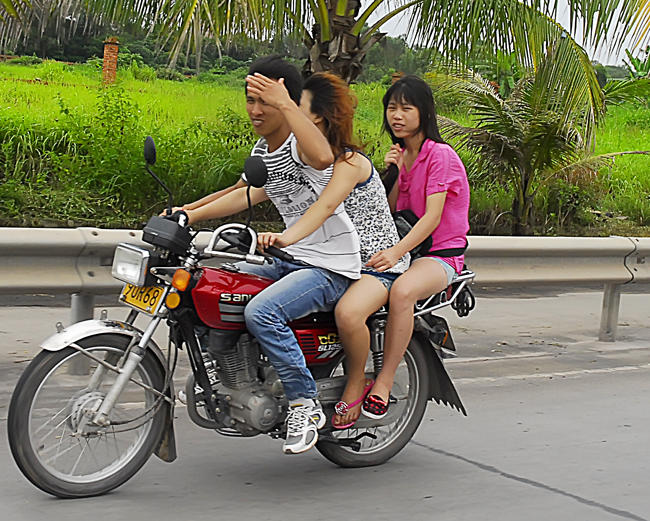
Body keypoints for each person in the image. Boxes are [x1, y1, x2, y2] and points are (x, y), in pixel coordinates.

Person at [181, 56, 362, 454]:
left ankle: (304, 403)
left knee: (261, 312)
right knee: (212, 285)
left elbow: (322, 158)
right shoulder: (264, 150)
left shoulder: (303, 144)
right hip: (290, 259)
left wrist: (285, 102)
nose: (255, 110)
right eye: (250, 100)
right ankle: (228, 375)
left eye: (265, 101)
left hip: (329, 266)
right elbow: (243, 194)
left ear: (287, 102)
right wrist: (186, 213)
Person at [258, 72, 410, 430]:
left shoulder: (349, 162)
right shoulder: (306, 161)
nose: (288, 110)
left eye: (297, 105)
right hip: (330, 260)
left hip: (375, 264)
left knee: (348, 313)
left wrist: (286, 238)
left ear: (318, 116)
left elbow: (324, 207)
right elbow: (258, 190)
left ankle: (356, 379)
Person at [360, 75, 470, 419]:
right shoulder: (403, 155)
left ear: (425, 112)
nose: (397, 115)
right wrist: (392, 172)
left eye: (406, 108)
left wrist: (395, 253)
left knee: (403, 292)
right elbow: (391, 210)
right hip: (408, 251)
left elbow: (432, 218)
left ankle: (384, 381)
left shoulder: (440, 155)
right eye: (392, 107)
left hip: (439, 255)